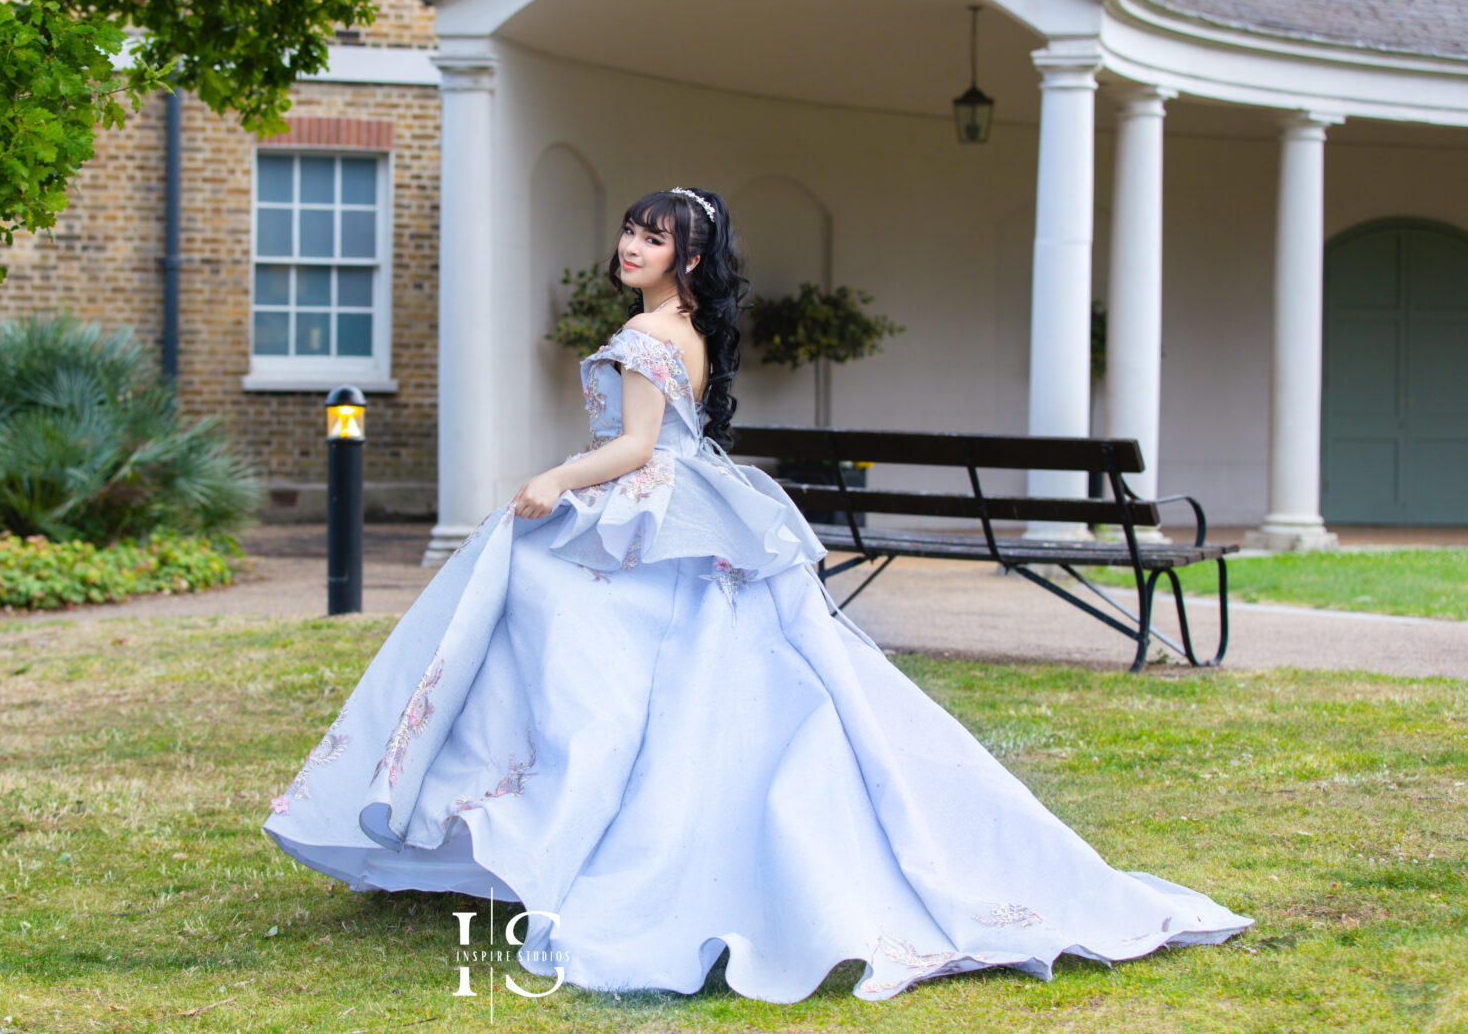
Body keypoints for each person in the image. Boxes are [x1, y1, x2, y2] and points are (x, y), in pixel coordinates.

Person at [260, 187, 1251, 1003]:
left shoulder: (652, 333)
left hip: (646, 512)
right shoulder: (683, 329)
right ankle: (510, 822)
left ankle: (530, 820)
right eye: (631, 230)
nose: (630, 245)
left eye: (653, 236)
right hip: (684, 514)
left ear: (687, 258)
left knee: (566, 659)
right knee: (622, 668)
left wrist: (556, 480)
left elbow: (641, 447)